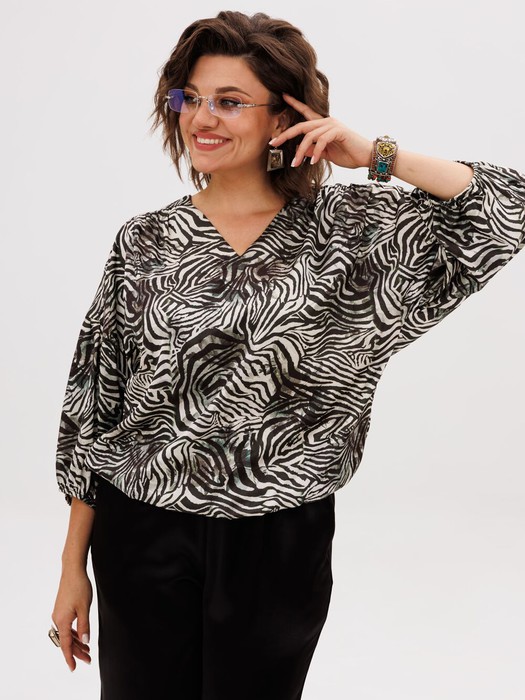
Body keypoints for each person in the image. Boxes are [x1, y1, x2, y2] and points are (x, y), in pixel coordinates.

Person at [50, 9, 525, 700]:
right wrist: (73, 567)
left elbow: (507, 207)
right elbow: (93, 407)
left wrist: (376, 155)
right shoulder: (145, 241)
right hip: (141, 528)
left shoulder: (352, 233)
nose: (201, 118)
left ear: (284, 116)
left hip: (278, 537)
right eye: (190, 97)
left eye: (230, 101)